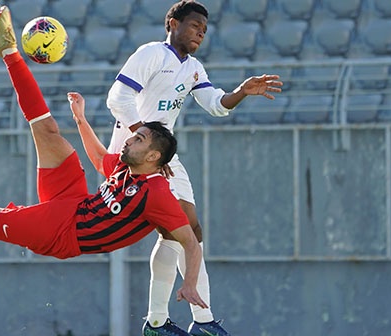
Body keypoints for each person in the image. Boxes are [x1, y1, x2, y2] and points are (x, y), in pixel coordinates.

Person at [0, 5, 209, 312]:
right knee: (48, 131)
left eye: (137, 137)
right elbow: (97, 156)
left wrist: (189, 283)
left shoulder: (158, 193)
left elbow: (191, 243)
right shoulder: (126, 166)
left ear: (153, 156)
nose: (128, 137)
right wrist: (80, 119)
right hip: (74, 202)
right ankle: (9, 51)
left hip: (62, 233)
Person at [105, 1, 283, 335]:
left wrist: (241, 93)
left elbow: (216, 104)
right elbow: (117, 99)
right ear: (172, 23)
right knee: (179, 232)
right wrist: (147, 143)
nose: (199, 33)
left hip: (163, 157)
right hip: (136, 155)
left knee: (189, 232)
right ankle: (181, 323)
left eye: (203, 29)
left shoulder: (193, 68)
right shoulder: (152, 54)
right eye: (193, 25)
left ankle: (170, 322)